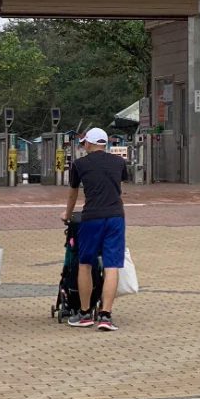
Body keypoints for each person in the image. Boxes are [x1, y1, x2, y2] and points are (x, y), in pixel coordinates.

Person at [61, 127, 127, 332]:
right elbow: (118, 188)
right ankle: (106, 315)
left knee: (85, 264)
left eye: (84, 143)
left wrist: (67, 214)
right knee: (112, 266)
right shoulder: (119, 163)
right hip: (116, 216)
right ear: (105, 144)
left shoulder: (80, 165)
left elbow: (73, 194)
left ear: (89, 143)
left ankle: (85, 313)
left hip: (91, 218)